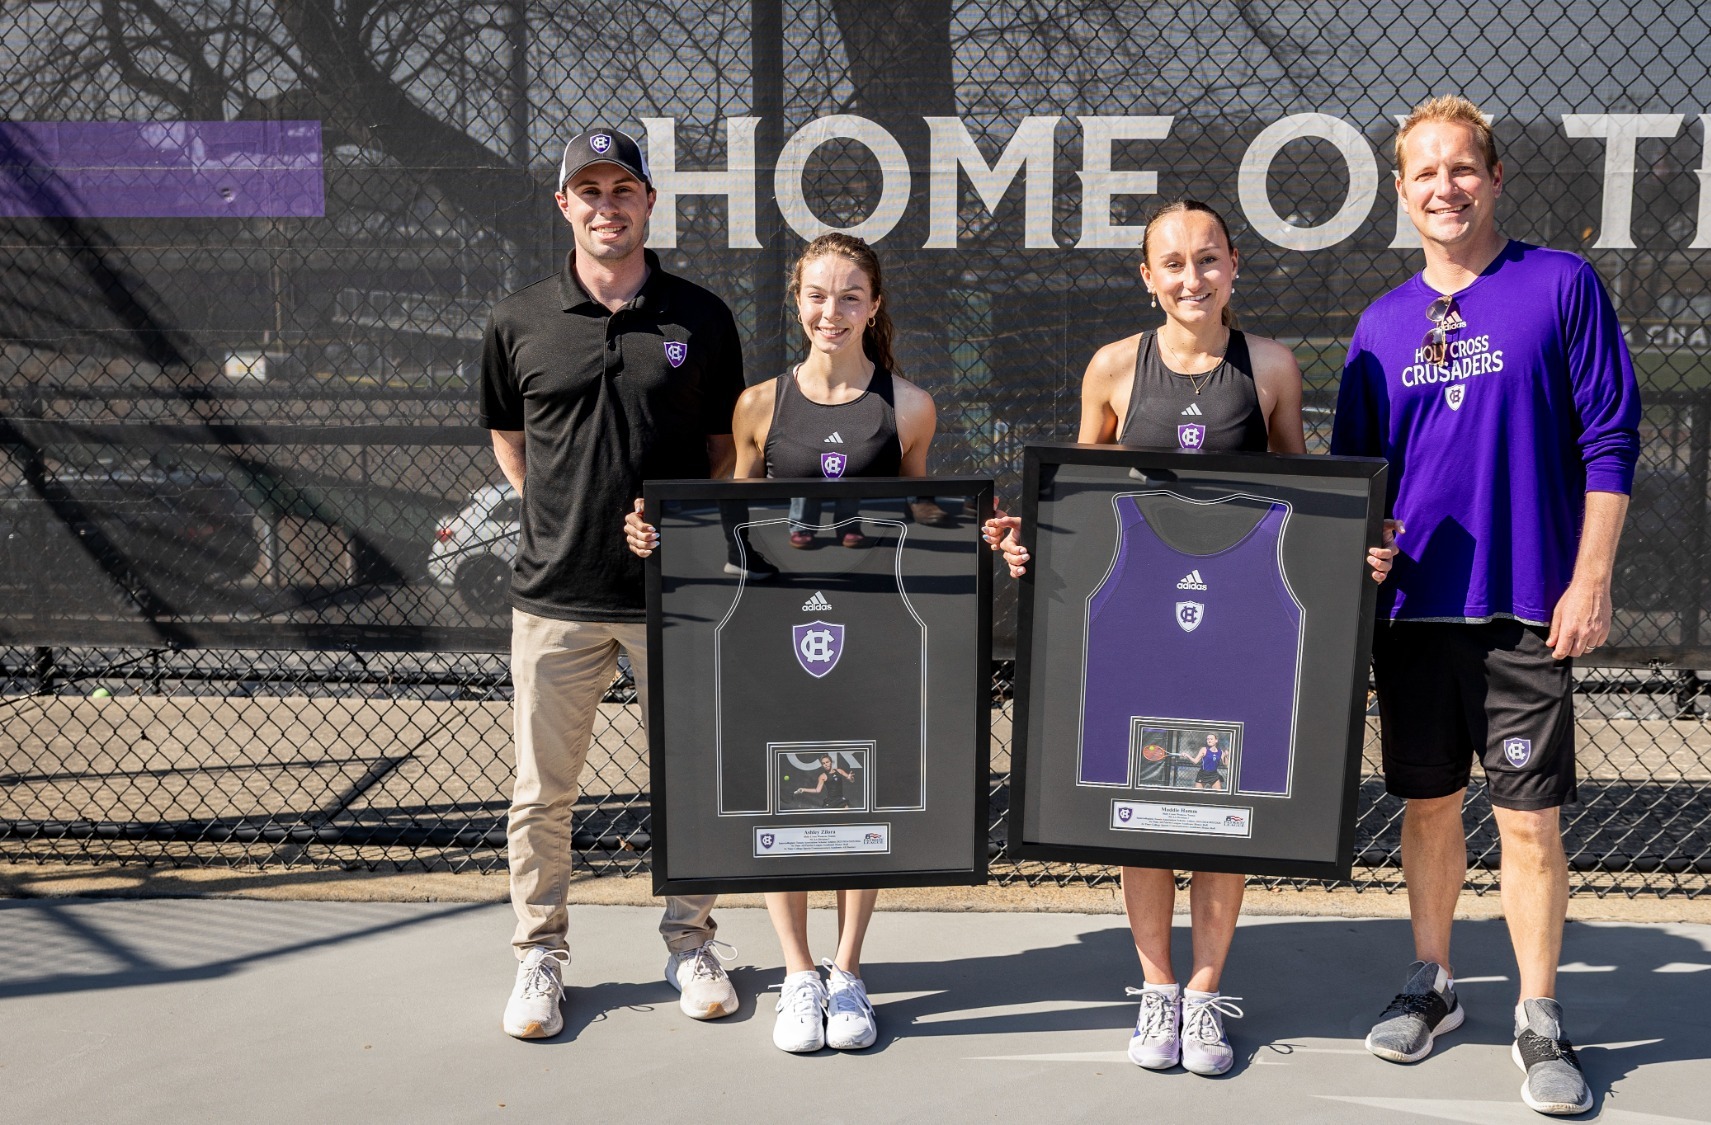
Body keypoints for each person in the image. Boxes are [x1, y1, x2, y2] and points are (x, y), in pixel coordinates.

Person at [984, 199, 1397, 1078]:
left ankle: (1206, 992)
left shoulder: (1270, 366)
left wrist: (1355, 549)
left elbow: (1304, 499)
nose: (1192, 277)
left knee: (1223, 810)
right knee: (1141, 812)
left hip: (1238, 626)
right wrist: (1028, 541)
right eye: (1172, 263)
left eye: (1207, 259)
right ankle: (1157, 987)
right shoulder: (1112, 367)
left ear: (1234, 266)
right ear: (1147, 277)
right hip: (1141, 627)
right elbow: (1076, 500)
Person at [1331, 96, 1638, 1117]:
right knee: (1425, 807)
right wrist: (1364, 549)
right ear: (1400, 191)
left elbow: (1609, 440)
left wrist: (1589, 578)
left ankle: (1539, 1015)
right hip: (1415, 614)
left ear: (1495, 177)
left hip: (1523, 608)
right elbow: (1357, 481)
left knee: (1528, 820)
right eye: (1423, 172)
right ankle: (1433, 983)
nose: (1444, 187)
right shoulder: (1380, 325)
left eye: (1461, 168)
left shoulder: (1560, 285)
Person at [628, 232, 936, 1055]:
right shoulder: (759, 404)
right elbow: (732, 526)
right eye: (817, 295)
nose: (831, 311)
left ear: (874, 305)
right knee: (786, 798)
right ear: (797, 302)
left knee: (861, 798)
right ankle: (799, 973)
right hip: (778, 635)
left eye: (849, 296)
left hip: (870, 636)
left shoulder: (909, 406)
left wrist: (978, 530)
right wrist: (664, 534)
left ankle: (847, 969)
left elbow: (922, 520)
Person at [478, 128, 746, 1040]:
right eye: (588, 191)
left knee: (692, 782)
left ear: (648, 203)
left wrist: (683, 527)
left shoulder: (700, 317)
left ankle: (692, 942)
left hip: (675, 599)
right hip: (554, 597)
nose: (606, 206)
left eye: (622, 189)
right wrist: (557, 511)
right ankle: (539, 955)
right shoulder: (518, 320)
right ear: (565, 205)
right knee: (542, 794)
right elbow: (509, 436)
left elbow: (724, 452)